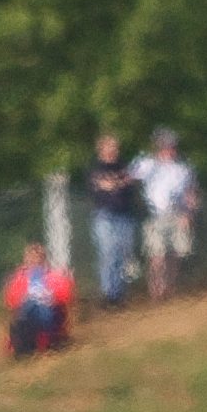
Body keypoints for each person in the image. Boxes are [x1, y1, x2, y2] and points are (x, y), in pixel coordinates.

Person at [131, 128, 198, 300]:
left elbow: (191, 193)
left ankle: (170, 288)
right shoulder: (146, 164)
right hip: (154, 216)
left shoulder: (183, 169)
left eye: (171, 146)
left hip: (177, 215)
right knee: (156, 255)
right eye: (165, 145)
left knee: (175, 254)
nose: (169, 149)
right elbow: (128, 180)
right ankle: (156, 291)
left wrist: (188, 214)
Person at [87, 132, 142, 307]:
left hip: (124, 215)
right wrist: (120, 182)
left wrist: (118, 183)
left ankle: (119, 294)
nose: (113, 150)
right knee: (108, 252)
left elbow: (130, 182)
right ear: (101, 148)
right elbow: (104, 185)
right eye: (109, 146)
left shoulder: (123, 165)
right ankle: (108, 294)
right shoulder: (95, 167)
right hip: (104, 216)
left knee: (123, 254)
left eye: (115, 146)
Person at [2, 241, 75, 356]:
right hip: (29, 319)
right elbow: (12, 302)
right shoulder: (19, 280)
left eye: (37, 260)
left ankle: (29, 338)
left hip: (50, 316)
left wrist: (47, 296)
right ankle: (24, 342)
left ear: (43, 262)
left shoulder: (54, 277)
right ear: (25, 263)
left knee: (38, 306)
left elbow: (65, 296)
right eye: (30, 261)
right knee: (29, 305)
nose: (34, 263)